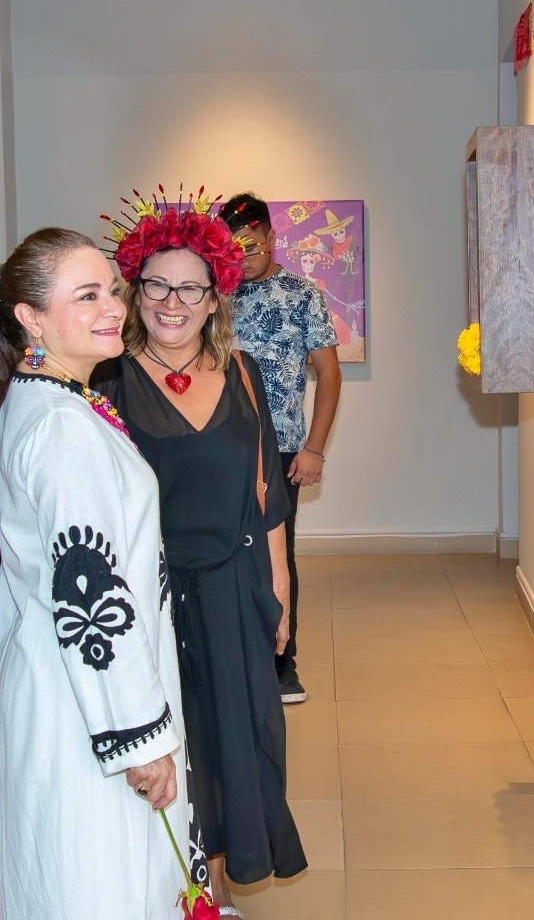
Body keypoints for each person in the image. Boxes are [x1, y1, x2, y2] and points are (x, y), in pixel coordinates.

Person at [0, 227, 194, 919]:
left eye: (112, 291)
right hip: (84, 704)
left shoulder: (48, 399)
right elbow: (88, 591)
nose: (113, 308)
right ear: (29, 318)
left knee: (65, 874)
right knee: (98, 881)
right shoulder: (61, 424)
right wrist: (138, 739)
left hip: (56, 684)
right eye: (86, 295)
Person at [93, 195, 307, 912]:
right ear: (135, 292)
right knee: (169, 747)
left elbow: (267, 494)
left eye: (191, 288)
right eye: (157, 285)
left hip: (234, 589)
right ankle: (172, 886)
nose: (172, 302)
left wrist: (280, 593)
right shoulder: (106, 382)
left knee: (233, 742)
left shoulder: (243, 373)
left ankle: (209, 888)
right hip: (151, 598)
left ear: (216, 297)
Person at [221, 193, 341, 706]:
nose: (243, 255)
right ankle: (230, 659)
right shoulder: (212, 294)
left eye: (251, 244)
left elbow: (329, 374)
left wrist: (315, 449)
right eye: (233, 247)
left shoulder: (301, 294)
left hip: (282, 447)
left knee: (276, 556)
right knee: (224, 554)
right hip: (220, 446)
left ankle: (281, 664)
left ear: (271, 238)